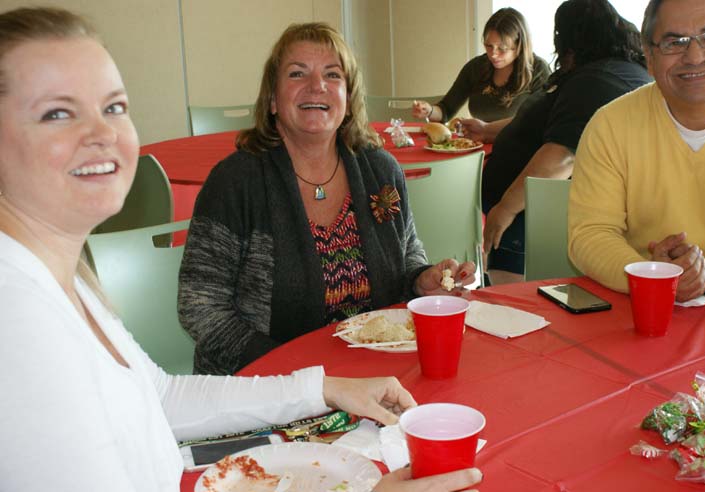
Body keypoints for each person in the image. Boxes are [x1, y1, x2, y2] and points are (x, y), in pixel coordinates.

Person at [0, 7, 483, 492]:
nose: (102, 134)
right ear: (272, 99)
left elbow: (162, 396)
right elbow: (201, 310)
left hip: (342, 390)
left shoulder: (63, 285)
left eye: (114, 108)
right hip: (266, 389)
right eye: (56, 112)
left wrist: (324, 388)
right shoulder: (18, 319)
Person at [178, 22, 476, 375]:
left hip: (368, 377)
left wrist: (421, 279)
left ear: (348, 99)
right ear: (273, 99)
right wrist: (295, 372)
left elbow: (407, 255)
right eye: (297, 73)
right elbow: (201, 307)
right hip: (259, 390)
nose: (317, 86)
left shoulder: (380, 170)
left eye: (332, 75)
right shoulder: (236, 181)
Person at [463, 0, 651, 285]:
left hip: (528, 222)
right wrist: (488, 130)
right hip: (530, 218)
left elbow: (563, 155)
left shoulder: (597, 81)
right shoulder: (615, 72)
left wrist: (506, 209)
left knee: (515, 311)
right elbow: (545, 124)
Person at [568, 0, 705, 302]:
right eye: (675, 42)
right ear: (648, 56)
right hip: (641, 311)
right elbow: (590, 234)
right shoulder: (611, 125)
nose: (695, 57)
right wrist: (650, 273)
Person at [412, 7, 550, 132]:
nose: (494, 54)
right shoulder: (475, 68)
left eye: (502, 48)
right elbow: (446, 110)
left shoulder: (538, 70)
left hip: (519, 149)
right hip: (478, 146)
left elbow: (538, 121)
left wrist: (486, 129)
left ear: (520, 45)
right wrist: (429, 111)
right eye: (489, 46)